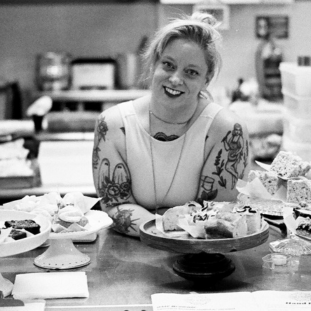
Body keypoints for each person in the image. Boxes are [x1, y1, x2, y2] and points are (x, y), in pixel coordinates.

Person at [92, 12, 249, 237]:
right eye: (168, 65)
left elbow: (218, 214)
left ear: (206, 79)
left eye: (191, 72)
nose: (175, 79)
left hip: (203, 256)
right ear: (154, 64)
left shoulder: (225, 130)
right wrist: (161, 230)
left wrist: (169, 232)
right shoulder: (113, 125)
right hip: (133, 252)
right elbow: (115, 205)